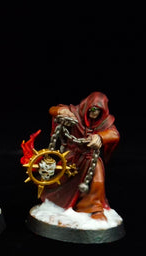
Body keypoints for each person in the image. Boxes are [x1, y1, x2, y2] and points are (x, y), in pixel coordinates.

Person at [42, 91, 119, 221]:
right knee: (60, 181)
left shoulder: (105, 122)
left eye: (98, 111)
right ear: (87, 106)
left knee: (97, 181)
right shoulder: (75, 113)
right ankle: (55, 205)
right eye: (92, 109)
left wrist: (101, 137)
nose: (94, 113)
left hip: (90, 157)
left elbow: (114, 134)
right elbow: (53, 109)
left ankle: (94, 209)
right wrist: (61, 111)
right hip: (72, 155)